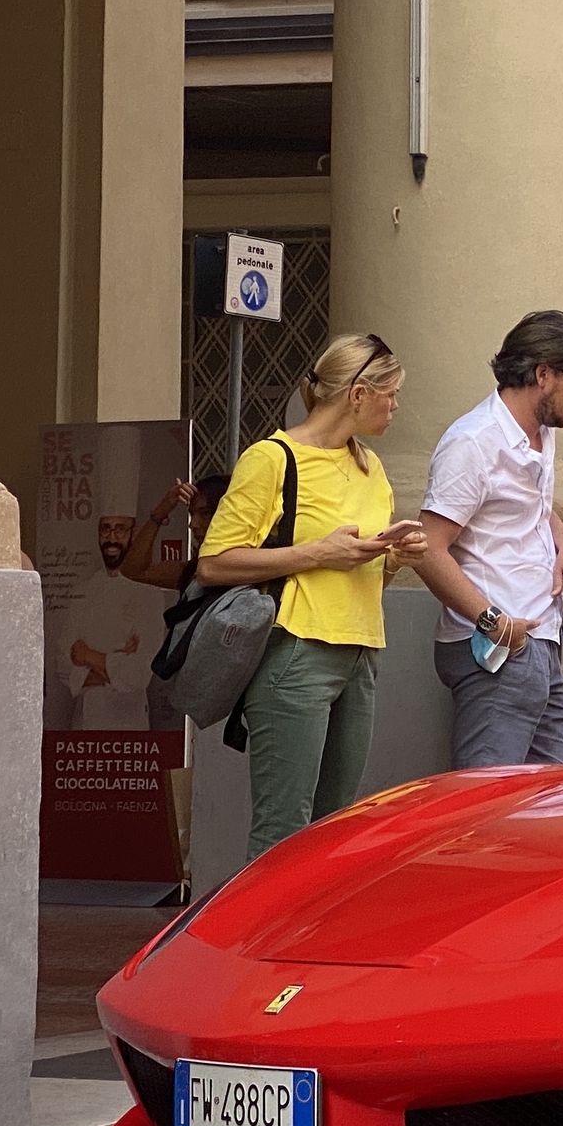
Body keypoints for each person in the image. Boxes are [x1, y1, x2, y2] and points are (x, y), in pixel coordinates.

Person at [199, 334, 426, 857]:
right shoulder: (273, 458)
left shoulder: (373, 468)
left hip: (361, 653)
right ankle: (255, 941)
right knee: (282, 829)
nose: (396, 406)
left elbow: (361, 572)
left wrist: (392, 557)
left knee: (334, 832)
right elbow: (213, 563)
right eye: (390, 393)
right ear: (358, 395)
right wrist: (317, 553)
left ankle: (306, 939)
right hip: (295, 654)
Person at [416, 311, 563, 769]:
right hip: (498, 648)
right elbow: (427, 547)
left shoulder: (539, 436)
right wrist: (493, 621)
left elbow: (526, 503)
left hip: (540, 640)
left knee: (542, 810)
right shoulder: (474, 443)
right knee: (484, 809)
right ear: (543, 374)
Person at [70, 509, 169, 728]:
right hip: (80, 729)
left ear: (134, 533)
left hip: (128, 726)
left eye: (120, 529)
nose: (112, 538)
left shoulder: (150, 594)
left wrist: (87, 655)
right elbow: (62, 665)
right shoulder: (84, 590)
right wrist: (119, 659)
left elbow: (141, 673)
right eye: (106, 529)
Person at [119, 476, 229, 592]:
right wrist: (160, 512)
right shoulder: (191, 572)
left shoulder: (248, 569)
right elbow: (134, 571)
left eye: (205, 513)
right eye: (192, 514)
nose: (193, 524)